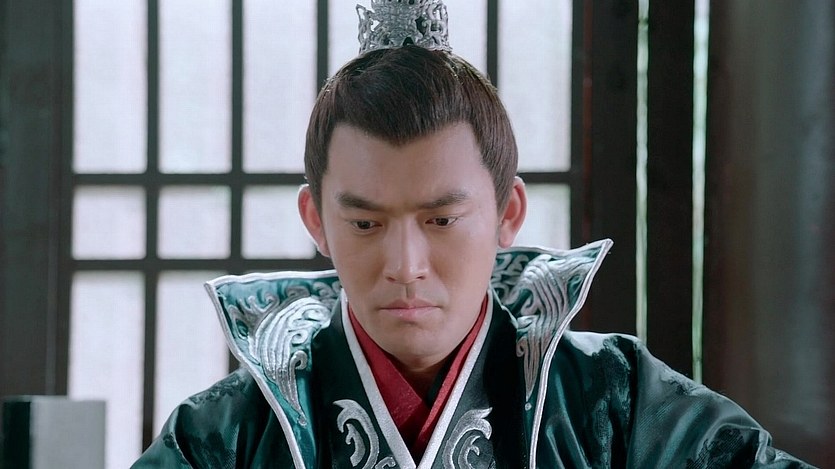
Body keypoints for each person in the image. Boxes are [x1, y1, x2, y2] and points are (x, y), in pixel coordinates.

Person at [133, 1, 812, 467]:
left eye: (441, 220)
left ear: (507, 213)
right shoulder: (224, 435)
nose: (405, 264)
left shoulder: (617, 402)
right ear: (316, 221)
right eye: (365, 223)